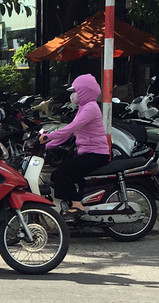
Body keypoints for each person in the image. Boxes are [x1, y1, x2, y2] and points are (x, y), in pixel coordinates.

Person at [39, 74, 111, 216]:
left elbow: (71, 128)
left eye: (75, 92)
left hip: (96, 154)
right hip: (87, 153)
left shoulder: (90, 108)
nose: (72, 96)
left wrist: (48, 136)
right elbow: (68, 134)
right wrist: (47, 146)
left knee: (61, 172)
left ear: (84, 91)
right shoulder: (83, 108)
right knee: (59, 175)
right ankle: (71, 204)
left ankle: (77, 205)